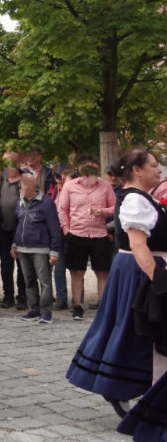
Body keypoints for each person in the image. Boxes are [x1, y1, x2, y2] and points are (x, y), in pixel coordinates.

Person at [66, 147, 165, 418]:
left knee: (133, 328)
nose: (158, 169)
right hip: (140, 270)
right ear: (137, 170)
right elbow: (138, 245)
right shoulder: (135, 200)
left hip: (137, 268)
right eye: (153, 165)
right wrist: (159, 280)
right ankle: (120, 386)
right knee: (135, 328)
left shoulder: (140, 197)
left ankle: (123, 387)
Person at [57, 154, 115, 320]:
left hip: (99, 234)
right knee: (78, 272)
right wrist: (66, 230)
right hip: (77, 234)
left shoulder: (105, 186)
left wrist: (103, 211)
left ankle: (103, 308)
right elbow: (62, 209)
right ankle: (77, 306)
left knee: (102, 272)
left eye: (94, 169)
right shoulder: (70, 186)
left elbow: (115, 206)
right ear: (80, 169)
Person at [11, 173, 62, 324]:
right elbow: (17, 224)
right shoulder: (19, 201)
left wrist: (54, 251)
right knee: (29, 281)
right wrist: (14, 244)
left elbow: (54, 228)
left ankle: (46, 313)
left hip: (41, 248)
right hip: (22, 249)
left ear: (32, 186)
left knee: (45, 281)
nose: (20, 188)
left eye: (23, 186)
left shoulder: (47, 203)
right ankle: (34, 309)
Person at [0, 152, 28, 309]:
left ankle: (23, 296)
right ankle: (8, 295)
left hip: (23, 230)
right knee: (5, 264)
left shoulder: (26, 180)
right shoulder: (0, 179)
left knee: (23, 264)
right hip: (4, 229)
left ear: (17, 164)